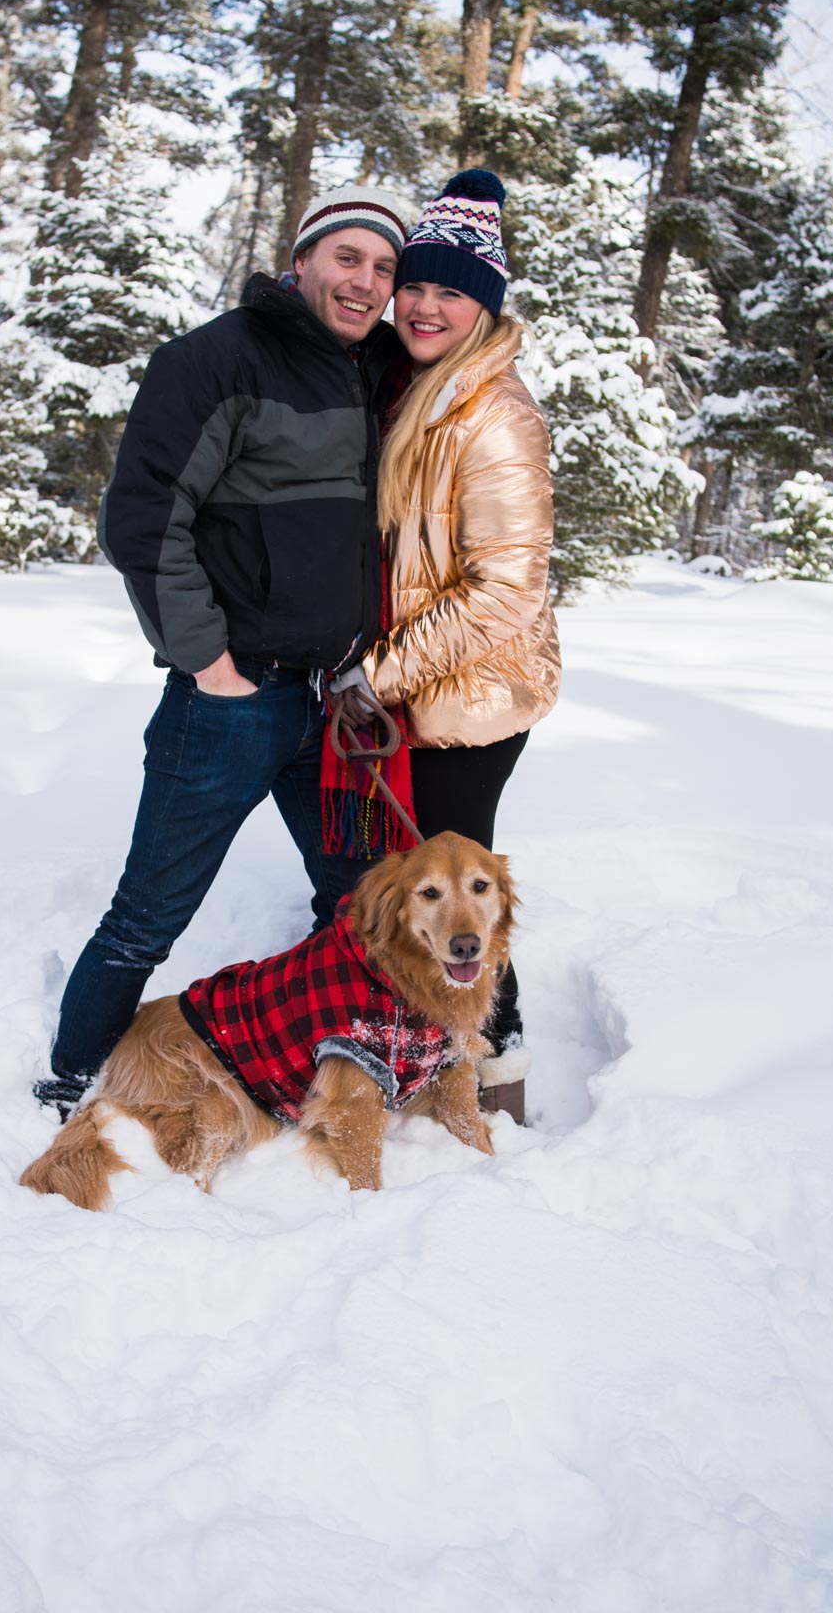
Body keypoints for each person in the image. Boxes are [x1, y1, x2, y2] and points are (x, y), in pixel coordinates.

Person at [35, 184, 409, 1117]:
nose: (365, 282)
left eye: (383, 268)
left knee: (359, 901)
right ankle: (69, 1082)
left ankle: (324, 1057)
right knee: (149, 913)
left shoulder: (371, 372)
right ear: (302, 258)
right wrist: (210, 664)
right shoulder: (215, 360)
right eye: (348, 257)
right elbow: (143, 519)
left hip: (332, 701)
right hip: (231, 701)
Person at [337, 169, 561, 1123]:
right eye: (415, 286)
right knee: (423, 890)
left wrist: (375, 675)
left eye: (450, 292)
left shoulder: (495, 416)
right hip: (424, 691)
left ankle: (496, 1083)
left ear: (485, 307)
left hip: (468, 702)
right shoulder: (421, 388)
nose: (424, 305)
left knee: (462, 899)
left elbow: (506, 592)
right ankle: (426, 1048)